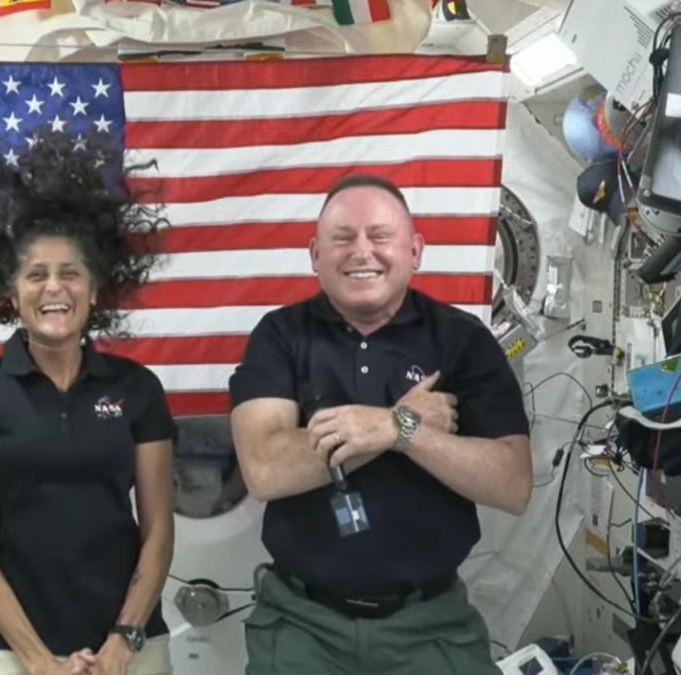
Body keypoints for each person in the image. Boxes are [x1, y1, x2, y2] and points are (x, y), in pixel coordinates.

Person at [228, 174, 533, 675]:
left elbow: (513, 485)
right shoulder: (280, 336)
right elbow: (265, 470)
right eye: (343, 238)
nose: (361, 252)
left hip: (431, 628)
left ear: (414, 251)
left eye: (380, 236)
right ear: (314, 254)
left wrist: (401, 435)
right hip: (302, 628)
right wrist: (402, 420)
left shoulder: (462, 340)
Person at [0, 133, 176, 675]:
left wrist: (123, 641)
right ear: (11, 292)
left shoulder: (138, 390)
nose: (54, 288)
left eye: (70, 273)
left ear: (95, 289)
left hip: (129, 642)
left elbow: (158, 531)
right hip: (10, 649)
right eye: (36, 275)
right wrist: (39, 661)